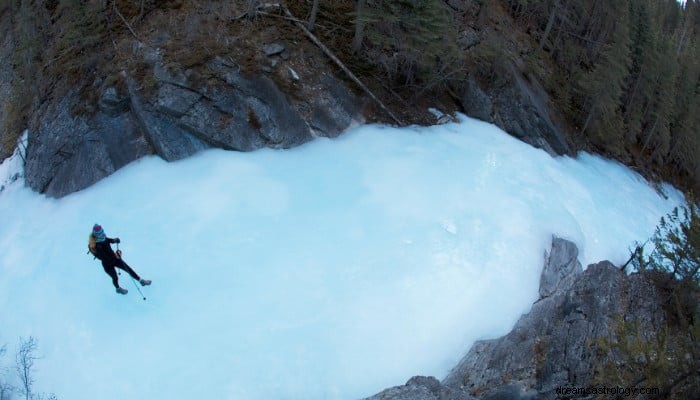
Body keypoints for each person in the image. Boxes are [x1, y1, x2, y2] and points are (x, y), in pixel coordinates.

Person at [90, 224, 151, 295]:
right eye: (100, 234)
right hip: (107, 264)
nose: (102, 235)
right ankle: (118, 289)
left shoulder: (103, 237)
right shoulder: (97, 246)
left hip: (115, 258)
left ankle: (141, 281)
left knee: (128, 269)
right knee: (115, 277)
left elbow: (108, 240)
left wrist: (114, 240)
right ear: (96, 235)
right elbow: (104, 258)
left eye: (102, 232)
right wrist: (117, 255)